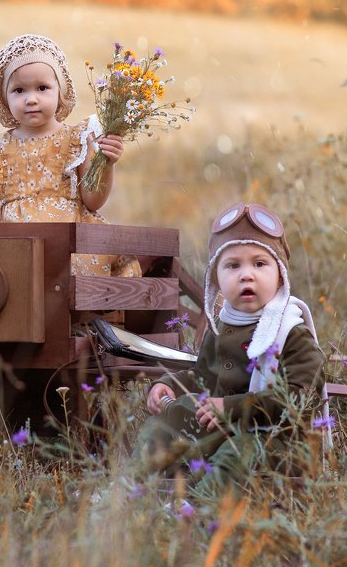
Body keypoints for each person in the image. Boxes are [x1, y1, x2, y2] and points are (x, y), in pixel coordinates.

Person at [133, 202, 327, 482]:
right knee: (159, 428)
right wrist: (168, 384)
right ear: (217, 278)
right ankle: (125, 491)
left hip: (275, 441)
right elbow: (203, 376)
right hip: (222, 433)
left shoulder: (291, 333)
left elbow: (299, 399)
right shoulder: (222, 324)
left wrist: (230, 408)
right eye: (233, 265)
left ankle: (198, 510)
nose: (246, 274)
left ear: (280, 274)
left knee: (236, 452)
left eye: (259, 263)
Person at [0, 33, 139, 277]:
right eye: (19, 90)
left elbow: (93, 200)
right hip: (14, 246)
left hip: (67, 247)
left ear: (60, 91)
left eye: (42, 88)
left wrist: (107, 164)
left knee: (76, 282)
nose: (31, 99)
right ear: (5, 98)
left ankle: (87, 313)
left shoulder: (77, 139)